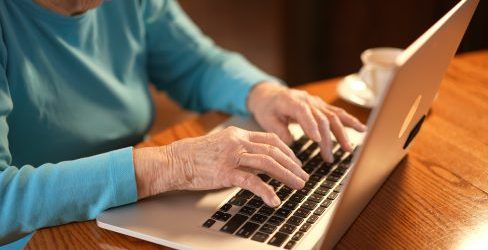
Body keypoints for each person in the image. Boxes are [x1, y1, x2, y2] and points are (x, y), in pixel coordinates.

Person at [0, 0, 366, 246]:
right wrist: (173, 165)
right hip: (44, 232)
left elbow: (196, 64)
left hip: (132, 206)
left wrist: (262, 92)